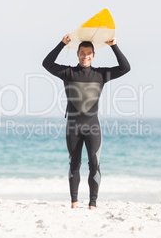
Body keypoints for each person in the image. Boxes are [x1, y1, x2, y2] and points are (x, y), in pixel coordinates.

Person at [42, 34, 130, 209]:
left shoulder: (100, 75)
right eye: (82, 53)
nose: (85, 56)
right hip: (73, 127)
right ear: (77, 54)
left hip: (93, 127)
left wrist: (114, 46)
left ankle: (92, 204)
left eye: (89, 53)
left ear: (93, 55)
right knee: (74, 164)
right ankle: (74, 203)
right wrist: (61, 44)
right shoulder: (68, 73)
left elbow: (125, 68)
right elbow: (47, 64)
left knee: (94, 164)